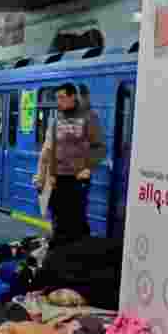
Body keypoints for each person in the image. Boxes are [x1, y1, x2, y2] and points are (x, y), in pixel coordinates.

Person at [34, 83, 106, 249]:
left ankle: (77, 253)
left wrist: (88, 167)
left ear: (73, 96)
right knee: (58, 218)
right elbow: (50, 149)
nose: (58, 102)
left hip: (77, 178)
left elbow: (100, 147)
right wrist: (48, 174)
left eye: (61, 98)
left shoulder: (88, 117)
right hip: (58, 179)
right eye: (56, 98)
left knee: (76, 219)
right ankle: (58, 255)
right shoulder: (57, 119)